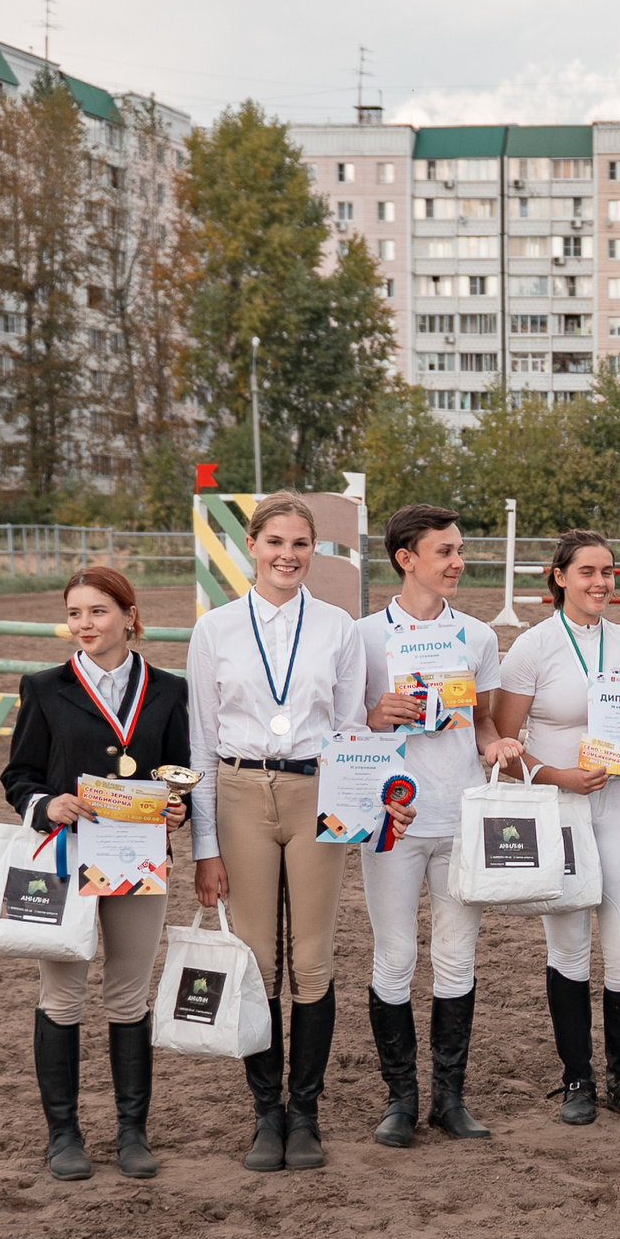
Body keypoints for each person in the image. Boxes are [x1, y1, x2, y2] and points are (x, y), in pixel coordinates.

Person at [186, 493, 387, 1174]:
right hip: (241, 791)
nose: (287, 555)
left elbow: (353, 727)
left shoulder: (338, 629)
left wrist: (361, 806)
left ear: (314, 550)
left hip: (316, 793)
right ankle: (264, 1113)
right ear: (252, 546)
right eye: (275, 541)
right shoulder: (213, 630)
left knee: (312, 959)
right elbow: (202, 744)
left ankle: (306, 1113)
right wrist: (205, 846)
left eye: (300, 543)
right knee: (256, 962)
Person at [1, 567, 193, 1181]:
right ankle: (63, 1135)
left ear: (129, 616)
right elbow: (20, 775)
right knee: (61, 997)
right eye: (76, 613)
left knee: (128, 995)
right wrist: (44, 804)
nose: (85, 624)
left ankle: (132, 1131)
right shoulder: (44, 687)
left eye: (99, 612)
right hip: (64, 854)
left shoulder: (169, 689)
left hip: (136, 857)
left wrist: (176, 803)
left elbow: (178, 771)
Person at [487, 530, 620, 1125]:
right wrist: (559, 776)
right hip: (561, 812)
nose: (600, 582)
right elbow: (504, 751)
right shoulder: (532, 648)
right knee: (568, 949)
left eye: (609, 572)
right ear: (559, 576)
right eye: (587, 571)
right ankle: (576, 1080)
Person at [359, 503, 520, 1147]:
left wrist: (494, 746)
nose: (459, 562)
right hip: (391, 819)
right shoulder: (363, 636)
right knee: (394, 955)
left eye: (460, 550)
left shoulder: (478, 637)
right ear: (406, 559)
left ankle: (449, 1098)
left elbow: (481, 720)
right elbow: (346, 727)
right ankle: (400, 1097)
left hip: (460, 816)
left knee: (457, 958)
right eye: (446, 552)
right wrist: (377, 716)